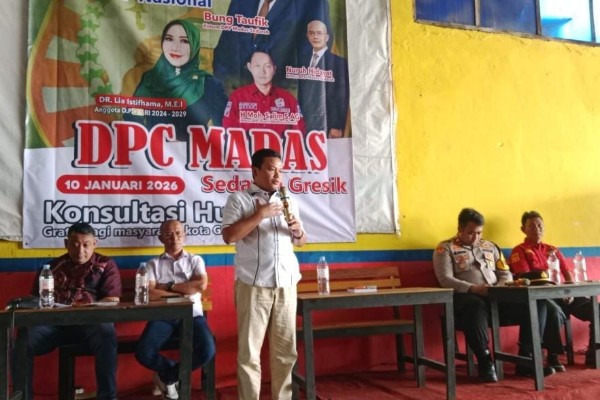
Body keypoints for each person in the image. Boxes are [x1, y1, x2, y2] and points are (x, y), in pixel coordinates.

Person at [433, 208, 561, 382]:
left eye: (479, 233)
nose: (476, 237)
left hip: (496, 296)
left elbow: (505, 272)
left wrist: (499, 288)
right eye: (471, 233)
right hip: (465, 298)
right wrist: (474, 288)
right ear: (460, 229)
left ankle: (526, 359)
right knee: (474, 305)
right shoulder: (445, 248)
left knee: (537, 303)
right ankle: (485, 360)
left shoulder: (490, 246)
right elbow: (445, 279)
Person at [221, 148, 307, 400]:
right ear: (255, 171)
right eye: (271, 169)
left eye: (280, 170)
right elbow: (229, 236)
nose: (277, 175)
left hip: (286, 283)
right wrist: (260, 214)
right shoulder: (239, 199)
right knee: (249, 354)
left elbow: (301, 242)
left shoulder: (289, 200)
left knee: (286, 352)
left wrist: (299, 232)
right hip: (253, 283)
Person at [13, 222, 122, 400]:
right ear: (66, 243)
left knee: (106, 332)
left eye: (86, 244)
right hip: (55, 325)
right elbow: (35, 300)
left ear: (95, 243)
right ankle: (23, 397)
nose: (80, 251)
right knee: (23, 341)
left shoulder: (106, 265)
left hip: (90, 325)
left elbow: (112, 300)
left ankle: (108, 397)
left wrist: (87, 308)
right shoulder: (52, 267)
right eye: (75, 244)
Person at [135, 219, 216, 400]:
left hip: (192, 315)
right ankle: (171, 371)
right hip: (163, 316)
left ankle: (167, 377)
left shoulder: (195, 260)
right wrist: (184, 290)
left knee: (208, 350)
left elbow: (200, 286)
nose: (174, 238)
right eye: (168, 234)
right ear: (161, 238)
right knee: (143, 353)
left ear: (184, 236)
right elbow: (149, 293)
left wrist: (168, 286)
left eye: (178, 233)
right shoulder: (153, 264)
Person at [509, 210, 599, 366]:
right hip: (542, 296)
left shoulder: (552, 249)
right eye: (532, 226)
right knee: (554, 313)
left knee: (596, 310)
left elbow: (566, 272)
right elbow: (524, 277)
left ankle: (593, 354)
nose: (537, 229)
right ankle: (553, 355)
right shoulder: (520, 250)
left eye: (540, 225)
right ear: (523, 229)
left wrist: (571, 292)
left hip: (564, 294)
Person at [127, 19, 227, 141]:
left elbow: (225, 128)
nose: (175, 47)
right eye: (169, 39)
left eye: (184, 41)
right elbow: (131, 120)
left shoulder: (208, 83)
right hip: (156, 151)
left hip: (195, 151)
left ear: (194, 45)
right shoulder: (150, 79)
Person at [212, 0, 332, 91]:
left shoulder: (313, 3)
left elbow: (315, 56)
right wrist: (227, 88)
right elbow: (223, 50)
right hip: (234, 97)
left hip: (281, 102)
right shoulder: (241, 2)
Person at [222, 50, 305, 136]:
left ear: (274, 69)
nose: (262, 71)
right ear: (249, 67)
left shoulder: (289, 99)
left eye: (267, 66)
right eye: (257, 66)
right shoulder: (237, 97)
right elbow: (228, 131)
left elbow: (299, 133)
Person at [297, 20, 349, 138]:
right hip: (304, 123)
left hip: (328, 125)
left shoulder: (339, 63)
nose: (315, 36)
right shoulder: (302, 61)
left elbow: (341, 96)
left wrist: (337, 125)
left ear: (327, 37)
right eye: (312, 33)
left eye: (319, 33)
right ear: (307, 36)